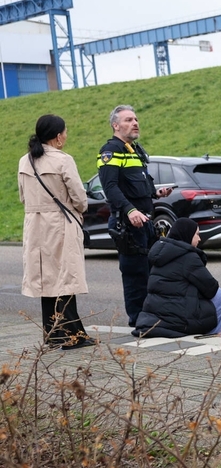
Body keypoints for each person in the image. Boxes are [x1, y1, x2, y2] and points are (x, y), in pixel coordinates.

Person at [17, 114, 96, 350]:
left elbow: (22, 196)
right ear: (58, 136)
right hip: (60, 223)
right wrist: (79, 209)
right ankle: (73, 336)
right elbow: (79, 198)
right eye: (65, 131)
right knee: (65, 278)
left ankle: (53, 334)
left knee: (45, 279)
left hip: (34, 224)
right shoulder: (63, 160)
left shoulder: (25, 161)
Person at [97, 105, 173, 327]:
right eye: (129, 120)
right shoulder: (110, 151)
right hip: (127, 224)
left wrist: (156, 193)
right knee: (135, 274)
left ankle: (151, 316)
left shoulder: (134, 150)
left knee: (150, 272)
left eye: (136, 119)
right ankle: (138, 320)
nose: (135, 122)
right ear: (116, 125)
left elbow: (137, 186)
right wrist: (130, 210)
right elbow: (110, 188)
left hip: (146, 222)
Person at [133, 218, 221, 338]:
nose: (199, 239)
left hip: (153, 316)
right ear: (187, 235)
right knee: (220, 295)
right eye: (197, 234)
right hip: (179, 320)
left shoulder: (160, 253)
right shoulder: (188, 257)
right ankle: (218, 336)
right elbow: (211, 288)